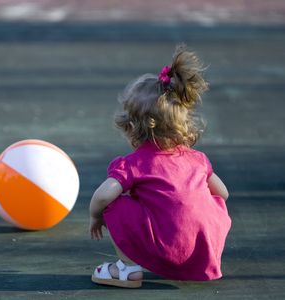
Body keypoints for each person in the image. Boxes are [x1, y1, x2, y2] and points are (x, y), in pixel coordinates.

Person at [89, 46, 231, 288]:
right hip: (204, 253)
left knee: (115, 203)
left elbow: (103, 195)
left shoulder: (134, 164)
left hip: (168, 249)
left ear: (131, 127)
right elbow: (223, 194)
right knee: (209, 204)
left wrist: (95, 216)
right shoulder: (197, 159)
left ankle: (126, 269)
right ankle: (191, 253)